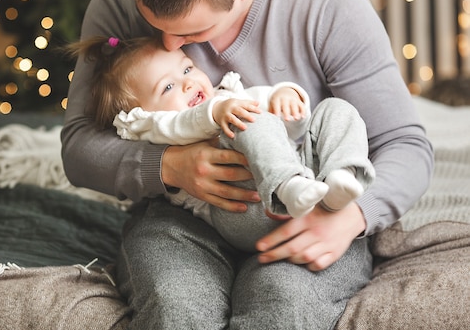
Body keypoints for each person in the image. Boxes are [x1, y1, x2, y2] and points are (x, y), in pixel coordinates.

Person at [61, 0, 434, 328]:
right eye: (153, 25)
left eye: (193, 32)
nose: (170, 45)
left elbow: (405, 144)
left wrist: (351, 217)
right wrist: (169, 166)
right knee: (174, 305)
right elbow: (78, 147)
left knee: (282, 304)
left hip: (308, 211)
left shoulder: (328, 4)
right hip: (183, 218)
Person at [68, 35, 375, 251]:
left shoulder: (224, 97)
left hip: (309, 183)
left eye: (187, 68)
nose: (189, 82)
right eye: (169, 86)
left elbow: (285, 124)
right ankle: (289, 188)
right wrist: (216, 113)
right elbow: (180, 127)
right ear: (139, 113)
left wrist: (284, 97)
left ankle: (341, 177)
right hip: (244, 211)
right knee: (245, 120)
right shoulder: (151, 126)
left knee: (337, 109)